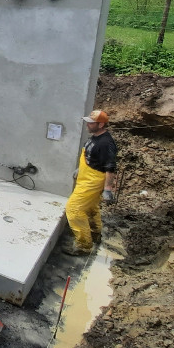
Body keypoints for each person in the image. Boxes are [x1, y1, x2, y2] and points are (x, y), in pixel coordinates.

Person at [63, 109, 118, 254]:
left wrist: (107, 189)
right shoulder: (95, 136)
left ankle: (84, 246)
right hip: (86, 176)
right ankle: (94, 233)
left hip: (93, 181)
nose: (88, 125)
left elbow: (110, 167)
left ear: (100, 125)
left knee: (73, 209)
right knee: (91, 207)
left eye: (91, 123)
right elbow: (90, 156)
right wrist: (80, 169)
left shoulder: (106, 143)